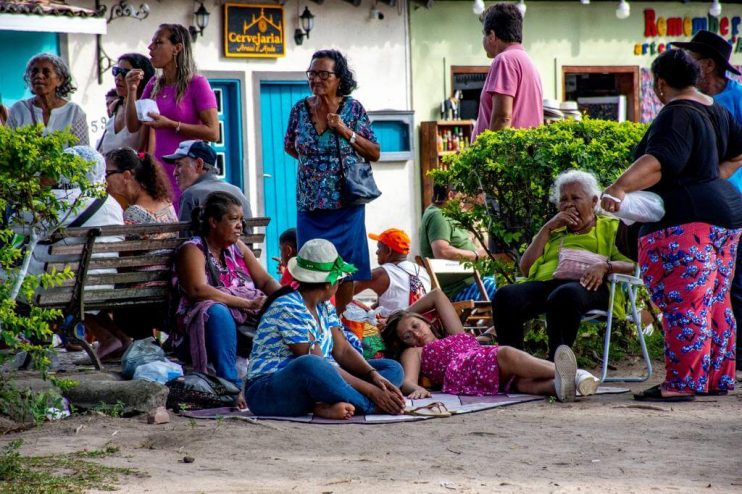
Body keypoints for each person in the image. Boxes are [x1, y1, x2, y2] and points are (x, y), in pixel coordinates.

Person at [601, 49, 742, 401]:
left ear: (660, 83)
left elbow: (660, 161)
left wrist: (618, 188)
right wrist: (710, 178)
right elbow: (738, 152)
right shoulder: (717, 111)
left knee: (686, 303)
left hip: (686, 223)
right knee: (715, 301)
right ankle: (715, 379)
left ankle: (681, 384)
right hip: (726, 218)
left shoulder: (676, 113)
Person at [246, 239, 405, 419]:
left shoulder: (325, 307)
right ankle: (369, 406)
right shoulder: (288, 306)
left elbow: (342, 349)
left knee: (392, 369)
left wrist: (373, 375)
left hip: (321, 380)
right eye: (340, 280)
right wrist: (372, 392)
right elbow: (318, 364)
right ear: (329, 284)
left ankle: (324, 405)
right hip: (268, 392)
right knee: (310, 364)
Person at [491, 170, 635, 361]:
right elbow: (525, 268)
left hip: (593, 286)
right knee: (505, 295)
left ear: (594, 201)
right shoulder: (554, 229)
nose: (568, 205)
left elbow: (632, 264)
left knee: (564, 294)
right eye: (563, 200)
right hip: (549, 284)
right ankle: (514, 364)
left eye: (575, 198)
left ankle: (556, 365)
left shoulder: (611, 227)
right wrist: (547, 228)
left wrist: (605, 266)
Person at [284, 49, 380, 317]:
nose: (316, 79)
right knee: (312, 265)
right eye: (312, 73)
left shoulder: (353, 109)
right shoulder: (300, 110)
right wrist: (314, 170)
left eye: (324, 74)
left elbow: (374, 152)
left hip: (345, 204)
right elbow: (290, 146)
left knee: (345, 267)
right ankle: (314, 318)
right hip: (310, 205)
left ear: (339, 78)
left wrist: (344, 131)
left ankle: (341, 320)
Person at [381, 289, 599, 402]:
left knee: (523, 383)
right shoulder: (414, 352)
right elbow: (407, 381)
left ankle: (564, 387)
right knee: (504, 354)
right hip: (464, 369)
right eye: (407, 335)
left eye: (416, 326)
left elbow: (437, 295)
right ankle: (577, 374)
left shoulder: (455, 334)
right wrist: (417, 389)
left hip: (481, 365)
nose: (416, 335)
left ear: (426, 320)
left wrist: (403, 313)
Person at [673, 31, 742, 381]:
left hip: (729, 207)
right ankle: (717, 369)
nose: (687, 66)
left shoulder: (735, 99)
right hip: (701, 210)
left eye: (692, 60)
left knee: (730, 289)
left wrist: (716, 176)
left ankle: (730, 363)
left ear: (709, 64)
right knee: (710, 292)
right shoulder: (697, 101)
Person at [174, 191, 279, 408]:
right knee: (215, 310)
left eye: (241, 220)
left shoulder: (237, 247)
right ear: (213, 222)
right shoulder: (193, 250)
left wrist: (283, 299)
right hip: (200, 332)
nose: (240, 225)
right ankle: (230, 386)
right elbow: (197, 290)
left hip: (243, 327)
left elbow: (265, 281)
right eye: (233, 219)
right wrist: (247, 304)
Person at [93, 148, 176, 359]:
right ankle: (122, 342)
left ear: (127, 175)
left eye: (108, 174)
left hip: (137, 301)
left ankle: (116, 339)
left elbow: (121, 263)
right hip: (166, 293)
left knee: (86, 284)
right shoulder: (167, 205)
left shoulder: (133, 214)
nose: (105, 180)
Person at [125, 24, 219, 210]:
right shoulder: (154, 83)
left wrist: (171, 124)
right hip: (158, 170)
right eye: (151, 43)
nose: (150, 48)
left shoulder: (197, 84)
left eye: (158, 43)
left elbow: (213, 132)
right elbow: (134, 125)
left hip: (186, 169)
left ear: (177, 48)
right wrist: (131, 90)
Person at [471, 3, 543, 142]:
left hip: (505, 160)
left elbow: (502, 118)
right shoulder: (528, 62)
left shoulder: (504, 60)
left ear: (492, 35)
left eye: (483, 35)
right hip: (523, 156)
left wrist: (489, 158)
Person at [420, 183, 495, 302]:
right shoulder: (438, 215)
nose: (464, 203)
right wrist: (477, 255)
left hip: (473, 281)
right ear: (451, 195)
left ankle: (489, 321)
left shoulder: (444, 214)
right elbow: (442, 251)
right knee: (506, 291)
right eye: (463, 198)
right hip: (460, 288)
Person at [6, 53, 89, 146]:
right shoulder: (19, 109)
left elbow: (83, 153)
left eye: (46, 72)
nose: (39, 76)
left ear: (59, 80)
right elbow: (7, 148)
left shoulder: (74, 112)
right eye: (34, 71)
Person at [165, 140, 252, 223]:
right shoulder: (237, 191)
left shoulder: (191, 194)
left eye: (179, 165)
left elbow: (184, 237)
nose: (174, 173)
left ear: (199, 164)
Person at [353, 228, 431, 316]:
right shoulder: (421, 270)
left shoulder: (380, 274)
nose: (377, 252)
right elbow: (390, 303)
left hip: (396, 326)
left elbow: (345, 292)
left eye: (379, 247)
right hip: (424, 322)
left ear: (389, 251)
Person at [98, 54, 155, 155]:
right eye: (116, 71)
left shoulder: (146, 110)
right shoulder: (115, 107)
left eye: (125, 73)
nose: (118, 77)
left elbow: (145, 153)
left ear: (141, 78)